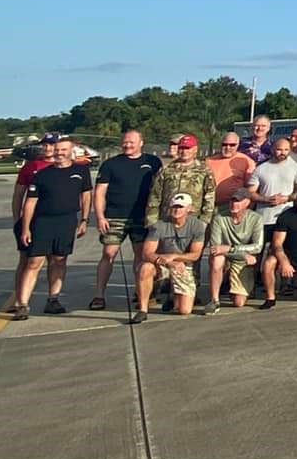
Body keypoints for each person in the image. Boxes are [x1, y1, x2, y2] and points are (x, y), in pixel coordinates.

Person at [11, 135, 92, 318]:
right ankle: (23, 304)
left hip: (67, 221)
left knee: (59, 260)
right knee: (34, 262)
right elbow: (30, 202)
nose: (59, 154)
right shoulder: (42, 175)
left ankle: (53, 299)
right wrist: (25, 227)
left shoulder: (82, 171)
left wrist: (84, 220)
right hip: (42, 222)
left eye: (63, 150)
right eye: (56, 150)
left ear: (71, 151)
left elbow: (86, 196)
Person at [89, 128, 160, 312]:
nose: (127, 145)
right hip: (114, 216)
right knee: (109, 253)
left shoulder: (152, 162)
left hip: (142, 217)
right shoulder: (110, 165)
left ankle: (140, 292)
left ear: (141, 143)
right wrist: (100, 216)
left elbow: (158, 188)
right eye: (125, 142)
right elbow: (100, 193)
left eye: (132, 142)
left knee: (140, 256)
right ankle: (99, 295)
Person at [135, 193, 205, 322]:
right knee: (145, 267)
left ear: (189, 209)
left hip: (183, 264)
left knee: (185, 310)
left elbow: (195, 255)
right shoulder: (159, 225)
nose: (176, 210)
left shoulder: (198, 226)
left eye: (180, 207)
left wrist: (174, 257)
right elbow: (147, 253)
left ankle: (173, 296)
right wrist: (166, 262)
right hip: (162, 263)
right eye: (174, 206)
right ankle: (143, 310)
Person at [201, 187, 265, 313]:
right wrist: (239, 253)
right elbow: (215, 247)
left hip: (241, 258)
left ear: (247, 202)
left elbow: (257, 247)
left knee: (239, 303)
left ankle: (235, 285)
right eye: (232, 200)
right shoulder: (219, 217)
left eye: (238, 201)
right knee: (217, 259)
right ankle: (214, 300)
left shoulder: (256, 218)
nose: (234, 204)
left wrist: (232, 249)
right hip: (226, 256)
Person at [156, 136, 217, 228]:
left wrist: (205, 220)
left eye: (187, 148)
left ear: (195, 149)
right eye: (181, 148)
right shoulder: (166, 169)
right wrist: (152, 220)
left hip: (193, 221)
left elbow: (210, 197)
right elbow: (155, 195)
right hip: (167, 220)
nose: (184, 151)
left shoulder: (204, 170)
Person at [250, 134, 297, 238]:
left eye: (286, 150)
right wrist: (266, 199)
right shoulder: (260, 168)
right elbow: (250, 193)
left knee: (280, 251)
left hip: (287, 217)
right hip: (264, 217)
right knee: (257, 251)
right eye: (279, 149)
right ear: (272, 149)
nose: (282, 152)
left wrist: (286, 199)